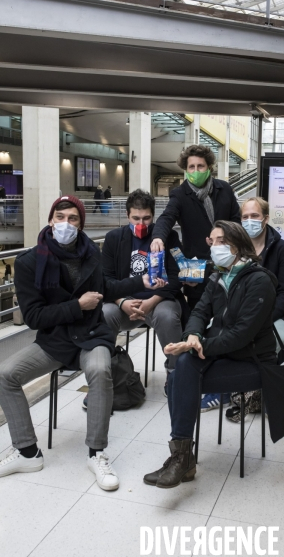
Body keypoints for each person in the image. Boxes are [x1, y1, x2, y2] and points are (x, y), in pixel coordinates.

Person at [0, 195, 165, 489]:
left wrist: (141, 283)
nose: (65, 223)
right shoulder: (29, 263)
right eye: (60, 217)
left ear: (81, 223)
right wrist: (78, 305)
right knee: (6, 374)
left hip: (91, 335)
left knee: (101, 372)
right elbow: (34, 317)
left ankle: (96, 452)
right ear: (51, 220)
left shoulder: (90, 252)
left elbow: (106, 287)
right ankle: (27, 451)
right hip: (56, 341)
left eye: (73, 218)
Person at [143, 220, 277, 489]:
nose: (214, 247)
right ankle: (182, 457)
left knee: (182, 374)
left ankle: (183, 460)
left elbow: (241, 335)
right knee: (182, 367)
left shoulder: (259, 281)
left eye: (220, 242)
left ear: (238, 246)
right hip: (223, 354)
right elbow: (200, 312)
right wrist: (191, 336)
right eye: (212, 241)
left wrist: (198, 344)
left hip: (253, 362)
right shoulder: (218, 276)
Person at [209, 196, 284, 421]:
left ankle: (269, 392)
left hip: (275, 314)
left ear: (266, 219)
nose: (250, 221)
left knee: (280, 339)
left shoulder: (282, 249)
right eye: (245, 217)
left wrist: (262, 317)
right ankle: (233, 387)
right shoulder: (231, 248)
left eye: (255, 216)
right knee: (220, 333)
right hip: (238, 313)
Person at [100, 189, 186, 397]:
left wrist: (151, 302)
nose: (141, 223)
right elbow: (105, 280)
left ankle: (176, 373)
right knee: (105, 314)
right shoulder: (113, 239)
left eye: (146, 218)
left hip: (159, 301)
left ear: (153, 216)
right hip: (124, 303)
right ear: (127, 216)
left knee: (167, 316)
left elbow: (177, 277)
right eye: (136, 218)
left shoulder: (169, 237)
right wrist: (122, 302)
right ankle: (105, 375)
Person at [150, 144, 241, 310]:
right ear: (186, 169)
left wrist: (225, 239)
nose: (196, 171)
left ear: (209, 168)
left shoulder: (225, 189)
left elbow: (237, 222)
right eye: (191, 167)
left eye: (200, 166)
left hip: (227, 261)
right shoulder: (180, 194)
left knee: (228, 309)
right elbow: (167, 216)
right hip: (197, 266)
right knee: (198, 311)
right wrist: (158, 237)